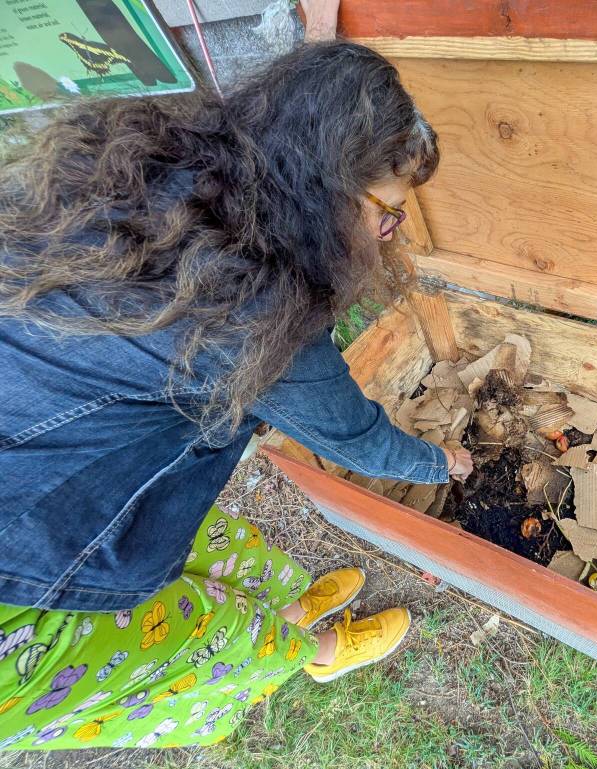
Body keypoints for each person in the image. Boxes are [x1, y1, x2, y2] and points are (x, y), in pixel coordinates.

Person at [0, 39, 473, 751]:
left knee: (218, 542)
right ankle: (310, 652)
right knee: (212, 635)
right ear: (330, 191)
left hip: (44, 455)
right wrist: (444, 463)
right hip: (26, 575)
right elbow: (354, 437)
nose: (389, 233)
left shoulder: (153, 170)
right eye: (388, 212)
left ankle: (291, 602)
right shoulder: (255, 308)